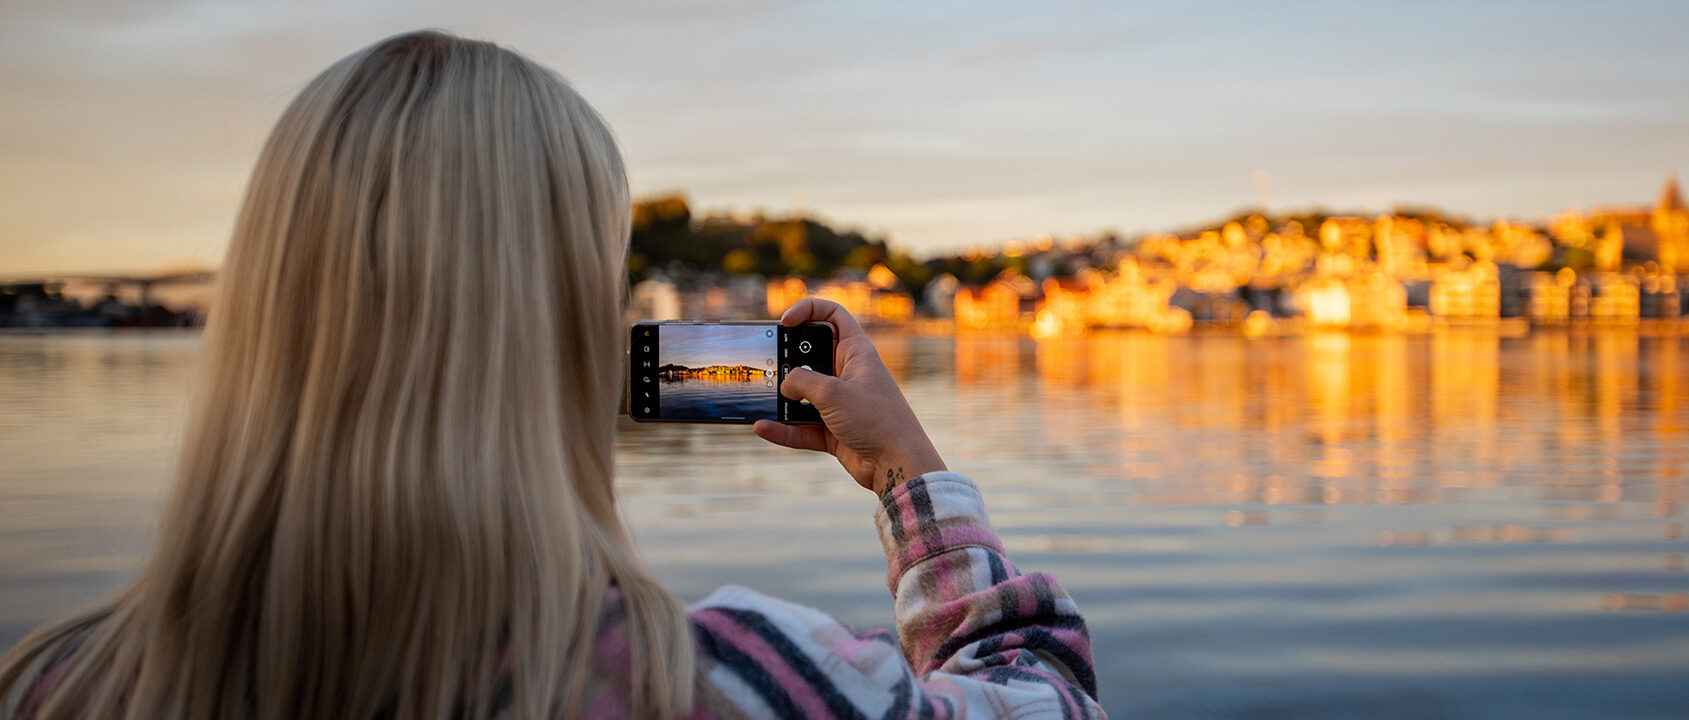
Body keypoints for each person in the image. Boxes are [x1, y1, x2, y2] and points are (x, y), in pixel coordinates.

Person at [0, 31, 1101, 720]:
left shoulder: (56, 684)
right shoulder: (729, 682)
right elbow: (1039, 699)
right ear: (566, 323)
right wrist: (907, 470)